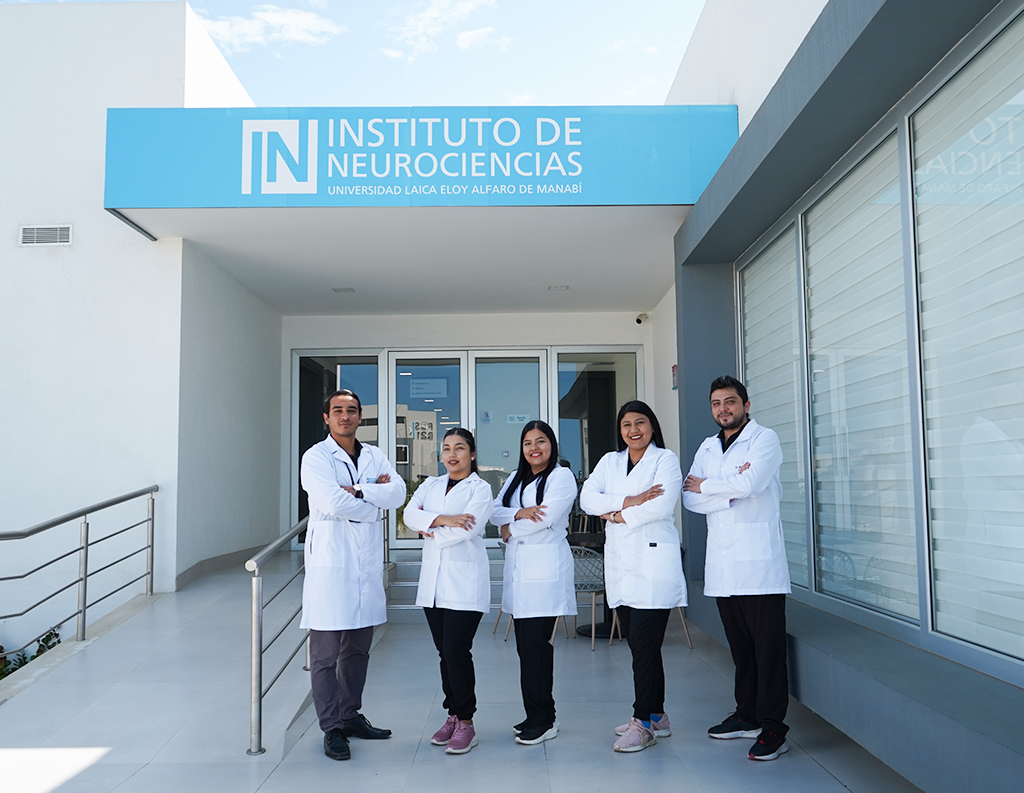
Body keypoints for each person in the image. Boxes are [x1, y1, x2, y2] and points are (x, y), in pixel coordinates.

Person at [682, 375, 792, 761]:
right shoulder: (707, 446)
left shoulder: (765, 439)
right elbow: (689, 498)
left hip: (760, 567)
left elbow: (751, 484)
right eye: (716, 403)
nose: (723, 409)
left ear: (746, 405)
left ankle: (774, 727)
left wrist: (709, 485)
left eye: (730, 401)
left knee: (768, 651)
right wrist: (728, 488)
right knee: (742, 650)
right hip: (724, 566)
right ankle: (747, 715)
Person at [300, 389, 407, 762]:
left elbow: (398, 493)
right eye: (338, 410)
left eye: (351, 410)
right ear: (326, 417)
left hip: (364, 565)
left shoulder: (374, 455)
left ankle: (350, 715)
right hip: (331, 565)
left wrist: (360, 490)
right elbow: (330, 501)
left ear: (360, 416)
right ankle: (331, 728)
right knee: (325, 655)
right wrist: (373, 506)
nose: (345, 416)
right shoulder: (316, 457)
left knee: (359, 649)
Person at [579, 400, 687, 753]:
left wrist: (616, 513)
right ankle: (657, 714)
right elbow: (587, 499)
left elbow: (661, 504)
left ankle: (642, 723)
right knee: (641, 645)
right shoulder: (610, 461)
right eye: (626, 424)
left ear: (652, 426)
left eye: (640, 422)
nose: (633, 430)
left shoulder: (665, 460)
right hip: (622, 566)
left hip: (653, 565)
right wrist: (631, 499)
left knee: (643, 644)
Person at [404, 427, 494, 755]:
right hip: (433, 583)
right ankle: (452, 714)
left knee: (457, 650)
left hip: (464, 583)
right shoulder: (430, 484)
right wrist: (443, 519)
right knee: (444, 652)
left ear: (472, 453)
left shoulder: (480, 489)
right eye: (446, 448)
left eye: (459, 448)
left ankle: (467, 721)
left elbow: (467, 529)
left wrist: (430, 526)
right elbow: (409, 515)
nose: (452, 454)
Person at [492, 420, 578, 746]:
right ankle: (535, 715)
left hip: (544, 573)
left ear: (551, 444)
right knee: (525, 649)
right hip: (521, 572)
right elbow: (493, 511)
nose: (534, 448)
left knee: (536, 648)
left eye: (540, 441)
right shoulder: (516, 477)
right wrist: (518, 514)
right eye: (528, 443)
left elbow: (546, 517)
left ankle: (544, 720)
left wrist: (509, 528)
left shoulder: (561, 476)